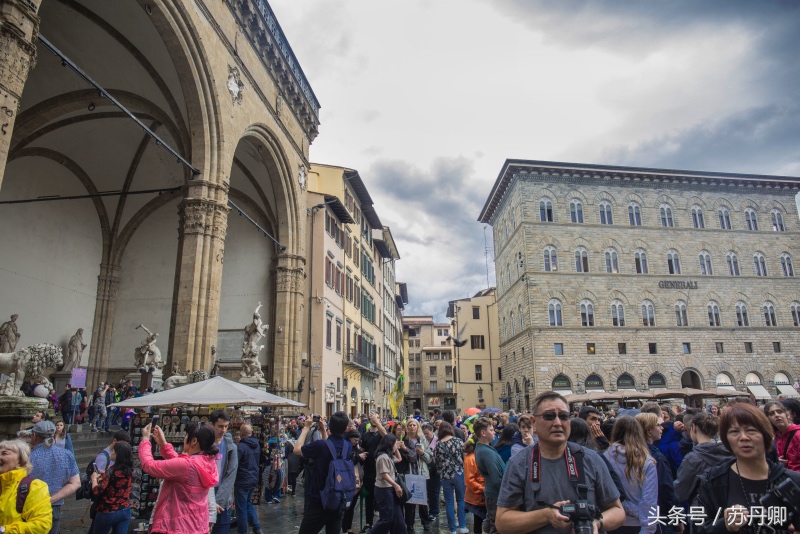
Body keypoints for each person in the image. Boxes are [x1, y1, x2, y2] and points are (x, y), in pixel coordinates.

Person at [495, 391, 625, 534]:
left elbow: (618, 511)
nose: (557, 423)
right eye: (549, 416)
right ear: (534, 422)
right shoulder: (519, 463)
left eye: (563, 416)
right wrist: (546, 516)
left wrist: (596, 523)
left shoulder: (591, 459)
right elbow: (502, 522)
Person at [693, 402, 800, 534]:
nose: (743, 437)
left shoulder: (793, 481)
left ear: (765, 434)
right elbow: (697, 528)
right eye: (734, 431)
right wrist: (724, 525)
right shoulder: (712, 481)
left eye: (751, 430)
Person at [139, 421, 219, 534]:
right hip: (196, 525)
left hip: (175, 526)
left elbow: (149, 466)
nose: (185, 438)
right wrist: (164, 445)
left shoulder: (187, 465)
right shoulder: (207, 461)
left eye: (187, 435)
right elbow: (180, 465)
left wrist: (145, 440)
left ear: (194, 441)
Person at [294, 411, 352, 534]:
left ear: (329, 425)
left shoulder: (320, 445)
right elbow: (331, 450)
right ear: (346, 428)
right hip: (337, 499)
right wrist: (324, 431)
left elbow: (297, 450)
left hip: (319, 500)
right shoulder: (347, 446)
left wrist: (306, 428)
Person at [604, 416, 657, 534]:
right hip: (638, 523)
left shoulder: (605, 457)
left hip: (613, 521)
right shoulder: (647, 461)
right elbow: (649, 500)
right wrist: (647, 529)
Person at [27, 421, 80, 534]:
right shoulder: (67, 454)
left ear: (34, 436)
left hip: (30, 507)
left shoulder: (28, 457)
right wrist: (51, 499)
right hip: (54, 506)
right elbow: (75, 483)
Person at [673, 412, 732, 504]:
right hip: (729, 505)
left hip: (702, 507)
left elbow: (681, 493)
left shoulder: (692, 458)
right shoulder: (729, 452)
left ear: (694, 427)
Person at [0, 439, 52, 532]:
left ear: (20, 460)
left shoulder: (34, 487)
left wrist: (4, 530)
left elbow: (41, 525)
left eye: (4, 453)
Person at [89, 440, 133, 534]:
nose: (111, 453)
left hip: (107, 510)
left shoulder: (111, 472)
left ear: (117, 455)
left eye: (113, 451)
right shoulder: (130, 471)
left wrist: (94, 479)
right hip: (124, 509)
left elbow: (96, 491)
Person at [434, 421, 467, 534]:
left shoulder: (438, 444)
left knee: (449, 502)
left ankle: (452, 529)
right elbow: (464, 457)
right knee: (460, 500)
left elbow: (437, 462)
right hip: (458, 473)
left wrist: (441, 470)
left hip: (445, 475)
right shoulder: (458, 441)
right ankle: (462, 526)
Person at [474, 417, 505, 534]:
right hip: (495, 493)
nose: (494, 432)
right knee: (496, 525)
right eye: (491, 430)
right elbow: (497, 478)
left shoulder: (481, 448)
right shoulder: (486, 452)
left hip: (491, 492)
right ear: (483, 433)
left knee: (490, 520)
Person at [209, 410, 238, 534]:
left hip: (223, 498)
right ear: (212, 425)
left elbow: (230, 476)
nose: (223, 430)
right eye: (220, 426)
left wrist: (218, 501)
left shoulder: (231, 447)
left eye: (226, 426)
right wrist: (209, 502)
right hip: (205, 496)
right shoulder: (203, 444)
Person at [402, 418, 433, 532]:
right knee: (409, 500)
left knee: (422, 499)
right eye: (410, 425)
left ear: (417, 427)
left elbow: (429, 458)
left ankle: (425, 522)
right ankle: (409, 524)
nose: (412, 427)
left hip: (421, 472)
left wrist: (422, 453)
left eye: (414, 425)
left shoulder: (422, 439)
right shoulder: (404, 440)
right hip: (408, 472)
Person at [371, 434, 405, 534]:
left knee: (398, 518)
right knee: (387, 518)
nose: (396, 446)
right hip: (384, 489)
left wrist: (396, 448)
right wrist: (395, 485)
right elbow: (384, 474)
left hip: (390, 489)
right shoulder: (382, 457)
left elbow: (399, 459)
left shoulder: (388, 456)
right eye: (394, 444)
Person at [360, 412, 388, 532]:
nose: (374, 420)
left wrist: (377, 422)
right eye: (372, 418)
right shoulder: (365, 435)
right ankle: (368, 522)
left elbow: (386, 436)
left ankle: (383, 522)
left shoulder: (382, 433)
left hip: (381, 471)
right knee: (369, 498)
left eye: (376, 418)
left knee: (381, 497)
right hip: (369, 470)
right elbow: (362, 449)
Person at [233, 424, 262, 534]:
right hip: (253, 479)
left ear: (241, 434)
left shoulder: (241, 447)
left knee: (241, 509)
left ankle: (243, 532)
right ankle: (257, 527)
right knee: (248, 503)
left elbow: (235, 464)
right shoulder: (257, 445)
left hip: (242, 480)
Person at [764, 401, 800, 472]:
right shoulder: (776, 437)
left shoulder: (798, 435)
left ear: (787, 414)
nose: (776, 415)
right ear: (768, 419)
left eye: (779, 412)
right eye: (772, 413)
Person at [463, 438, 486, 534]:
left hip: (480, 494)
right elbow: (469, 480)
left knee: (479, 521)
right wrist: (483, 489)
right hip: (477, 495)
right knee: (478, 521)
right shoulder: (471, 458)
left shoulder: (476, 456)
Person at [422, 423, 440, 524]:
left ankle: (434, 511)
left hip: (435, 469)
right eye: (424, 433)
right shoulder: (422, 441)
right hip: (425, 468)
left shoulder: (437, 441)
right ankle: (431, 509)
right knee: (428, 490)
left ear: (432, 431)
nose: (426, 436)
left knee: (434, 491)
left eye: (427, 433)